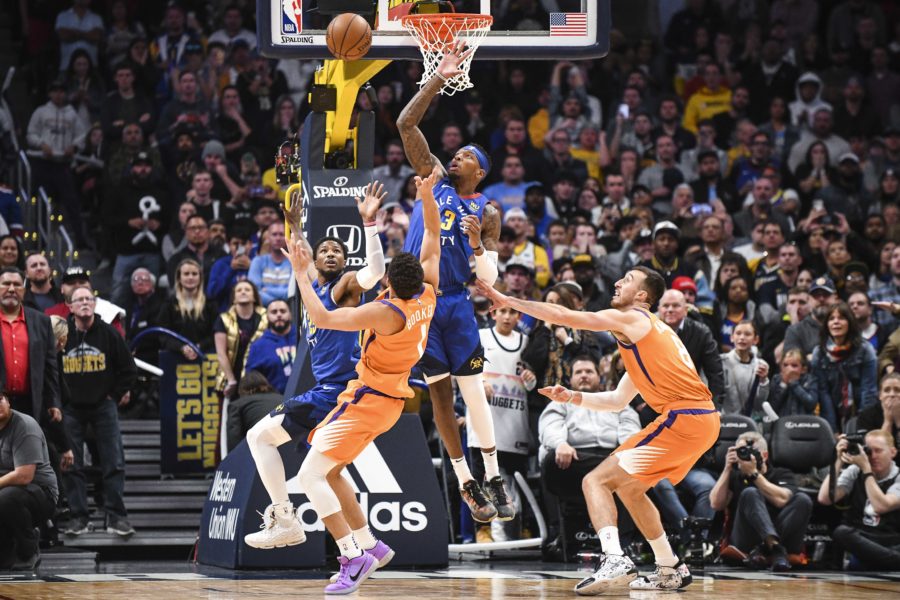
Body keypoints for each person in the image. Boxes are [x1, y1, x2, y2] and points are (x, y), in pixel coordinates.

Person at [477, 265, 719, 592]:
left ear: (643, 296)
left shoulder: (634, 318)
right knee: (631, 489)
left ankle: (614, 557)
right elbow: (619, 399)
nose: (618, 283)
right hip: (700, 420)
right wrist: (573, 396)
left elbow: (570, 316)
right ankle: (670, 566)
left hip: (684, 416)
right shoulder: (650, 336)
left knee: (595, 481)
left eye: (628, 280)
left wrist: (510, 300)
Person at [267, 167, 442, 595]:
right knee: (333, 471)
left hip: (364, 398)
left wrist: (298, 274)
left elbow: (324, 316)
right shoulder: (429, 291)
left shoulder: (385, 312)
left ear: (387, 285)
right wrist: (427, 197)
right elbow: (433, 240)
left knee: (310, 477)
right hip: (390, 400)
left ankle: (351, 555)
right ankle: (370, 544)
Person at [396, 44, 513, 522]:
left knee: (474, 391)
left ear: (479, 171)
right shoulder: (433, 180)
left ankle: (494, 475)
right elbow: (406, 124)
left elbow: (489, 278)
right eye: (456, 152)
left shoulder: (486, 210)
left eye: (465, 155)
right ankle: (467, 483)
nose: (455, 156)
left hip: (457, 302)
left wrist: (479, 246)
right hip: (422, 304)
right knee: (440, 396)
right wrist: (438, 79)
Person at [241, 182, 386, 551]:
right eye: (325, 250)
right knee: (333, 472)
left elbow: (374, 272)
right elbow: (300, 254)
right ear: (316, 259)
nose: (332, 253)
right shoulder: (310, 291)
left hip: (337, 392)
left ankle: (283, 518)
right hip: (342, 394)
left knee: (259, 437)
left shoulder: (346, 287)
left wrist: (369, 226)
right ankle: (370, 545)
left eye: (338, 249)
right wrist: (293, 224)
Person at [61, 285, 137, 537]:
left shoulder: (108, 334)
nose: (85, 303)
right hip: (71, 408)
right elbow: (51, 369)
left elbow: (128, 369)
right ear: (70, 307)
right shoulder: (62, 334)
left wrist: (113, 396)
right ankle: (78, 518)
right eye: (79, 300)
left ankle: (116, 517)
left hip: (103, 406)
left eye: (89, 299)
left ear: (94, 304)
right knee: (71, 464)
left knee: (113, 462)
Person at [710, 431, 813, 571]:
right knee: (750, 493)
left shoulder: (782, 473)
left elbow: (781, 500)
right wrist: (727, 468)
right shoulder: (734, 476)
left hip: (782, 533)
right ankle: (775, 547)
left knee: (803, 499)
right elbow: (716, 504)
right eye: (741, 451)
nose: (746, 455)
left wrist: (754, 475)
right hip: (747, 541)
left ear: (764, 455)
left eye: (751, 451)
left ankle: (768, 547)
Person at [474, 302, 533, 542]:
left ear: (518, 316)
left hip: (515, 418)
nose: (507, 317)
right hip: (484, 417)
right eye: (502, 312)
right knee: (481, 479)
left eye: (512, 312)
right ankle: (483, 530)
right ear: (493, 313)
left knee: (518, 479)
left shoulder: (525, 342)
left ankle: (520, 526)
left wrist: (530, 379)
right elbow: (464, 368)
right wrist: (480, 382)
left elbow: (531, 381)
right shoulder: (480, 337)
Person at [818, 428, 900, 570]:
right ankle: (890, 562)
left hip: (890, 541)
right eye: (868, 451)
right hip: (862, 539)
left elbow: (881, 506)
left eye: (878, 451)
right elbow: (825, 498)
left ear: (893, 452)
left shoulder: (898, 477)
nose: (872, 456)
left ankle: (887, 561)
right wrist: (838, 460)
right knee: (842, 532)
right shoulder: (855, 471)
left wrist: (866, 470)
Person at [0, 390, 59, 570]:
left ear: (8, 402)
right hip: (7, 490)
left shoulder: (24, 426)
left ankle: (28, 549)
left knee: (6, 499)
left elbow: (24, 475)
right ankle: (7, 551)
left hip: (40, 492)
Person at [0, 267, 61, 422]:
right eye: (6, 284)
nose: (12, 289)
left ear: (24, 289)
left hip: (30, 403)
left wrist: (53, 401)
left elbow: (50, 366)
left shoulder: (41, 321)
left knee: (28, 446)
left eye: (17, 284)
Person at [810, 301, 878, 432]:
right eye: (831, 319)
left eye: (841, 318)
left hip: (860, 411)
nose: (836, 322)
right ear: (827, 325)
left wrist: (863, 427)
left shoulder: (865, 350)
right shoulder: (819, 353)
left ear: (850, 323)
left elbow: (868, 391)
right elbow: (823, 393)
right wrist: (832, 429)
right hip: (831, 411)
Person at [213, 280, 267, 401]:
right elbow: (221, 354)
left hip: (259, 375)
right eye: (239, 290)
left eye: (247, 290)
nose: (243, 292)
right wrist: (231, 380)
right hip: (231, 374)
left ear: (254, 297)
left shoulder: (266, 316)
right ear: (233, 298)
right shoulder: (223, 319)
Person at [156, 259, 218, 361]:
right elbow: (163, 335)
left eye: (194, 274)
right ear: (179, 278)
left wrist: (199, 346)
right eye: (186, 274)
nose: (190, 277)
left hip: (206, 357)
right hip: (174, 358)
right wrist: (181, 347)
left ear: (200, 278)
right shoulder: (168, 304)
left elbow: (215, 333)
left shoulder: (210, 304)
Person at [243, 299, 295, 394]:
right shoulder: (258, 346)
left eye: (283, 311)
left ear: (290, 315)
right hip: (274, 402)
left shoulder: (305, 338)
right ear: (267, 317)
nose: (279, 315)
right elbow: (251, 380)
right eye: (274, 312)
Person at [720, 321, 770, 417]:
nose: (742, 338)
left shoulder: (761, 365)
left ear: (756, 339)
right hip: (725, 421)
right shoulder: (721, 362)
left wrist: (763, 381)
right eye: (738, 333)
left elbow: (759, 404)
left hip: (750, 422)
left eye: (747, 334)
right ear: (732, 337)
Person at [226, 371, 282, 453]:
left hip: (263, 453)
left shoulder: (237, 405)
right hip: (291, 449)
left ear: (242, 390)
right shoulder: (282, 398)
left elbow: (234, 442)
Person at [248, 221, 291, 305]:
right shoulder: (257, 262)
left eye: (281, 234)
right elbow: (254, 292)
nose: (278, 238)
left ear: (287, 237)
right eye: (274, 234)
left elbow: (292, 293)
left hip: (289, 311)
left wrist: (267, 290)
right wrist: (275, 303)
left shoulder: (293, 262)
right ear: (268, 238)